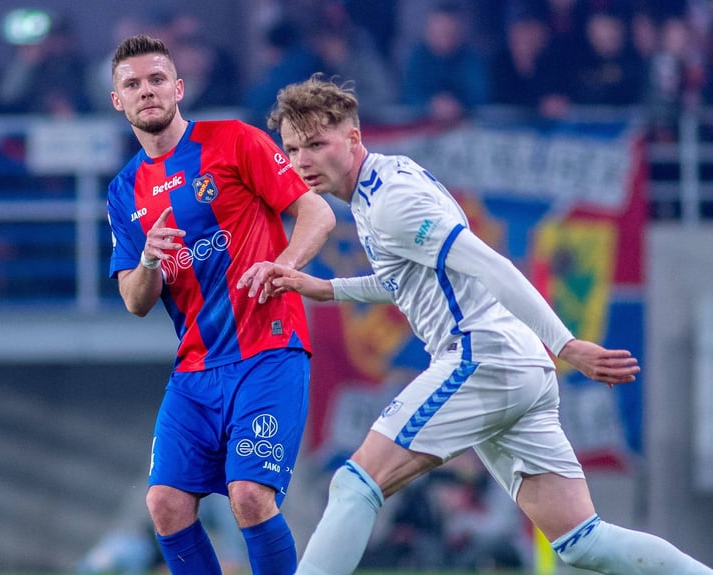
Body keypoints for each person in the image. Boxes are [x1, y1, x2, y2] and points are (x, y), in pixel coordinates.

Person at [257, 75, 713, 575]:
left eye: (317, 144)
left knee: (354, 483)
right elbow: (404, 280)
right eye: (293, 148)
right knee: (584, 543)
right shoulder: (376, 189)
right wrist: (327, 289)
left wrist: (567, 344)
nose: (302, 161)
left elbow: (490, 264)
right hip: (514, 366)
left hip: (483, 357)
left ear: (353, 138)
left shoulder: (392, 201)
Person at [105, 35, 335, 575]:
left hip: (268, 349)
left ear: (179, 88)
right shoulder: (124, 190)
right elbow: (135, 302)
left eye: (157, 79)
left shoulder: (233, 141)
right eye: (132, 85)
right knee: (164, 505)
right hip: (195, 369)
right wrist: (149, 264)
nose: (147, 92)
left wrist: (286, 266)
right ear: (118, 101)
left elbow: (316, 214)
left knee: (250, 495)